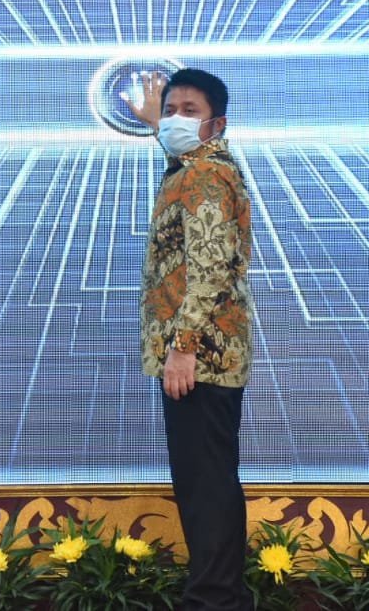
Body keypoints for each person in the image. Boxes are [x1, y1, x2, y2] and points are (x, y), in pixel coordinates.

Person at [125, 68, 254, 611]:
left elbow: (209, 268)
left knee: (206, 484)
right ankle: (218, 594)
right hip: (205, 352)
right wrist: (157, 126)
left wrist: (183, 347)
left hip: (201, 355)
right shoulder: (198, 167)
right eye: (170, 109)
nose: (175, 119)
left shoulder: (204, 177)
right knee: (205, 479)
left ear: (216, 123)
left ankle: (216, 599)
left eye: (189, 111)